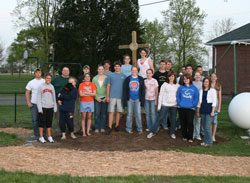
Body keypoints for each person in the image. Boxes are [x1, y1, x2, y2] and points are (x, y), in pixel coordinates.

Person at [147, 71, 179, 139]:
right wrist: (159, 106)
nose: (171, 77)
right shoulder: (164, 84)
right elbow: (161, 95)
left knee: (173, 120)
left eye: (172, 76)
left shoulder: (177, 85)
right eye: (170, 76)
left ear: (174, 77)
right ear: (168, 77)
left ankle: (172, 133)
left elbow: (178, 95)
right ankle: (152, 132)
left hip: (174, 105)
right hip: (165, 104)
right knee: (160, 118)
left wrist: (178, 104)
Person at [51, 67, 80, 134]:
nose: (66, 72)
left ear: (69, 72)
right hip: (60, 101)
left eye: (67, 70)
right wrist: (57, 99)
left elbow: (78, 89)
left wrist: (76, 98)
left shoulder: (72, 79)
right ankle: (61, 130)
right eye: (64, 70)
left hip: (70, 101)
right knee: (59, 116)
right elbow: (52, 89)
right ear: (62, 71)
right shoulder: (56, 79)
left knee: (73, 115)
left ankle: (74, 129)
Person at [177, 73, 199, 143]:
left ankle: (190, 137)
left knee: (190, 122)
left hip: (190, 108)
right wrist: (179, 103)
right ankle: (184, 136)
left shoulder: (194, 88)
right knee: (183, 122)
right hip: (182, 108)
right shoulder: (181, 88)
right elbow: (178, 96)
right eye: (184, 79)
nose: (185, 80)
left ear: (190, 79)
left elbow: (196, 97)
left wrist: (193, 104)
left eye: (187, 78)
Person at [123, 67, 145, 134]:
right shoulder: (128, 79)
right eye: (133, 70)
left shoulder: (140, 79)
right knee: (129, 114)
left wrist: (142, 99)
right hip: (130, 99)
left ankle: (139, 128)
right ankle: (128, 128)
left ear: (137, 71)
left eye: (135, 70)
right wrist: (125, 99)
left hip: (138, 99)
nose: (134, 71)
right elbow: (125, 89)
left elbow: (143, 90)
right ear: (131, 71)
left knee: (138, 114)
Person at [106, 61, 126, 135]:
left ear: (121, 67)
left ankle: (117, 126)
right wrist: (107, 96)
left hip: (120, 97)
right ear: (114, 67)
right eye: (116, 66)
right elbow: (108, 86)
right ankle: (110, 127)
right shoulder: (110, 75)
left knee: (118, 112)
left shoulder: (124, 76)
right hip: (112, 96)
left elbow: (125, 88)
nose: (117, 67)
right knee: (111, 112)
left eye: (118, 66)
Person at [37, 73, 57, 143]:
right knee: (41, 122)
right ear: (45, 78)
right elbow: (38, 98)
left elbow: (54, 97)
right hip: (43, 107)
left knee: (49, 122)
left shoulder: (52, 87)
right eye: (47, 78)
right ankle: (41, 137)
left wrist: (55, 107)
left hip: (50, 107)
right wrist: (40, 108)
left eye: (50, 78)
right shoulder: (41, 87)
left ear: (51, 79)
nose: (48, 79)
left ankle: (49, 136)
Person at [25, 68, 45, 139]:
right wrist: (28, 102)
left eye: (39, 72)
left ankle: (44, 134)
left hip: (43, 104)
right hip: (34, 103)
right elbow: (27, 93)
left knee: (43, 119)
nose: (38, 74)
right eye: (36, 72)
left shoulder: (44, 81)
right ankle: (36, 134)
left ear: (41, 73)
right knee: (35, 119)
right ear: (34, 74)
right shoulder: (31, 82)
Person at [197, 77, 217, 147]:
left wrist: (213, 111)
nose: (206, 83)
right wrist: (198, 111)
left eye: (207, 82)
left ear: (209, 83)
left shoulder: (212, 90)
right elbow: (199, 102)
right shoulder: (201, 91)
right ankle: (205, 141)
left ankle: (210, 142)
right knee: (204, 127)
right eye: (204, 82)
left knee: (208, 127)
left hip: (209, 109)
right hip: (202, 109)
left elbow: (214, 102)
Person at [92, 65, 107, 133]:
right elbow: (93, 89)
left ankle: (102, 127)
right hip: (97, 98)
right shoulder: (94, 79)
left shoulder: (107, 78)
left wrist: (106, 98)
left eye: (102, 69)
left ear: (104, 70)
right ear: (97, 70)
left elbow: (108, 89)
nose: (101, 70)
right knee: (97, 114)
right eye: (99, 69)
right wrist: (97, 98)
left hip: (105, 98)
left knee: (103, 114)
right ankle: (97, 127)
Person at [211, 73, 222, 142]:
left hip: (216, 105)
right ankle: (209, 134)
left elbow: (220, 98)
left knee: (214, 121)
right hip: (209, 105)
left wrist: (219, 108)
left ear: (216, 78)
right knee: (209, 121)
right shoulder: (208, 84)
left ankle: (213, 135)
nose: (213, 78)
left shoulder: (218, 86)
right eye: (212, 76)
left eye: (214, 76)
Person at [193, 71, 203, 141]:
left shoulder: (202, 84)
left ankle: (197, 134)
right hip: (193, 104)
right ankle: (193, 134)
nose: (197, 77)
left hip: (200, 104)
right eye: (196, 75)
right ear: (194, 76)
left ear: (200, 76)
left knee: (198, 120)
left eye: (198, 75)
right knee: (193, 120)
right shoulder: (192, 84)